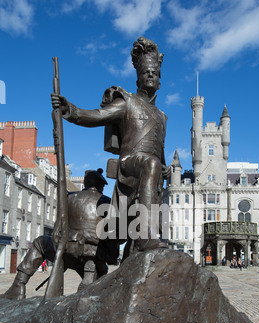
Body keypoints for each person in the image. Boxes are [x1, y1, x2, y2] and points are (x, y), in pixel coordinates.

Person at [51, 37, 171, 259]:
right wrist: (70, 109)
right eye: (146, 72)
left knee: (154, 166)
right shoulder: (127, 102)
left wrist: (166, 169)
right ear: (138, 77)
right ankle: (145, 235)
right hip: (130, 165)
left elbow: (159, 153)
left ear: (160, 78)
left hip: (150, 172)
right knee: (151, 164)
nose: (151, 75)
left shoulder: (162, 117)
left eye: (154, 72)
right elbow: (96, 116)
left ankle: (137, 248)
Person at [0, 169, 115, 300]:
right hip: (93, 253)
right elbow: (113, 237)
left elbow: (58, 229)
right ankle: (92, 273)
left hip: (68, 249)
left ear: (85, 182)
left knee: (39, 242)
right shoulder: (109, 203)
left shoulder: (69, 197)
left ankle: (18, 286)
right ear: (101, 186)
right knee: (100, 269)